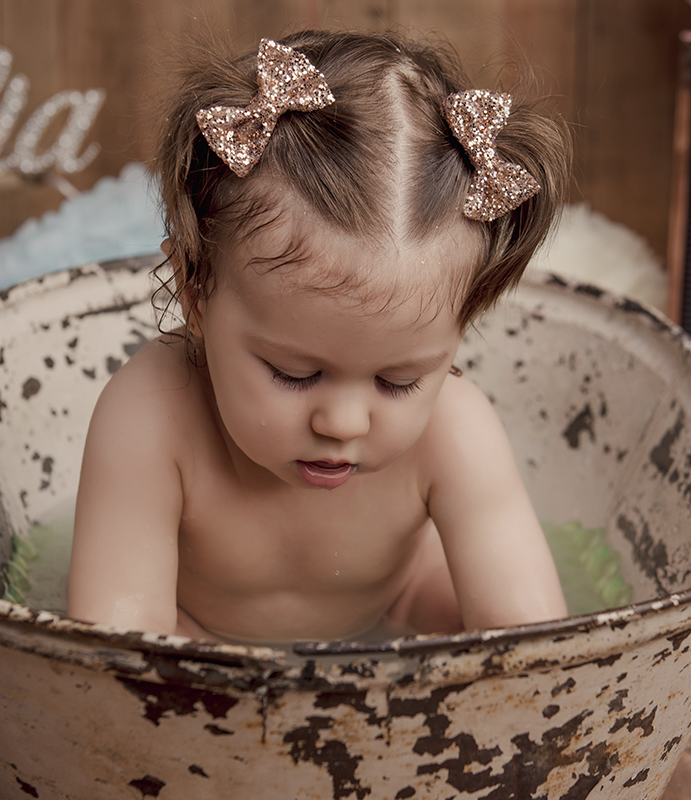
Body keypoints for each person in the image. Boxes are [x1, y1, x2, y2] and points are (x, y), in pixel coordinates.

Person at [67, 29, 570, 644]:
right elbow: (115, 646)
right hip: (200, 636)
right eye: (295, 374)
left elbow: (541, 650)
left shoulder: (455, 431)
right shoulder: (151, 415)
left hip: (401, 603)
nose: (344, 422)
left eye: (398, 381)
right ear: (195, 293)